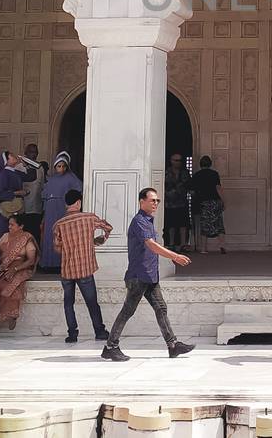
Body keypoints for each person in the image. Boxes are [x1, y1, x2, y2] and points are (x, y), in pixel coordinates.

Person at [101, 188, 195, 362]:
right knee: (127, 311)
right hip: (138, 275)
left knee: (161, 308)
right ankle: (110, 347)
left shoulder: (148, 221)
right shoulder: (139, 221)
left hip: (149, 275)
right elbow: (151, 245)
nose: (156, 204)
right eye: (152, 200)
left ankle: (173, 345)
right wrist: (174, 256)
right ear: (141, 201)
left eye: (157, 201)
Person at [51, 188, 113, 344]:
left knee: (68, 303)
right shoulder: (89, 218)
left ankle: (72, 334)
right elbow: (108, 227)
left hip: (67, 269)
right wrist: (98, 240)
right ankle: (99, 331)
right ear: (78, 202)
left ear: (67, 203)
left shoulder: (58, 224)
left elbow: (57, 248)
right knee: (92, 302)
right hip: (85, 268)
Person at [38, 152, 84, 271]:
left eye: (64, 166)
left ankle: (62, 264)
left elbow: (80, 189)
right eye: (59, 166)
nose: (61, 168)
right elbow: (45, 196)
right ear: (55, 166)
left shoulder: (71, 177)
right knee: (50, 234)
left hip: (62, 209)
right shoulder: (51, 179)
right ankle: (48, 264)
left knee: (62, 235)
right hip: (50, 210)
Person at [0, 150, 28, 249]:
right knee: (5, 237)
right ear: (6, 161)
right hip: (7, 212)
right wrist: (17, 193)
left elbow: (32, 176)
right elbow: (0, 194)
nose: (14, 156)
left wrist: (26, 164)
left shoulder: (16, 172)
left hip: (17, 210)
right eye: (11, 155)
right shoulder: (4, 174)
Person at [191, 156, 225, 255]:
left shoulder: (197, 175)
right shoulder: (214, 174)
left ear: (200, 164)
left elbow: (193, 191)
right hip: (215, 201)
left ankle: (203, 248)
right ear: (210, 164)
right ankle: (222, 244)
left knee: (204, 225)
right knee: (219, 223)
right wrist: (223, 201)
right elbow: (218, 188)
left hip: (203, 202)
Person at [164, 153, 192, 252]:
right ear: (171, 161)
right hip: (170, 202)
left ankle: (183, 244)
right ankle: (171, 244)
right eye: (175, 160)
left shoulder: (185, 172)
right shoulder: (166, 172)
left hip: (182, 201)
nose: (177, 162)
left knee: (183, 224)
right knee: (171, 224)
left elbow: (189, 185)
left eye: (179, 160)